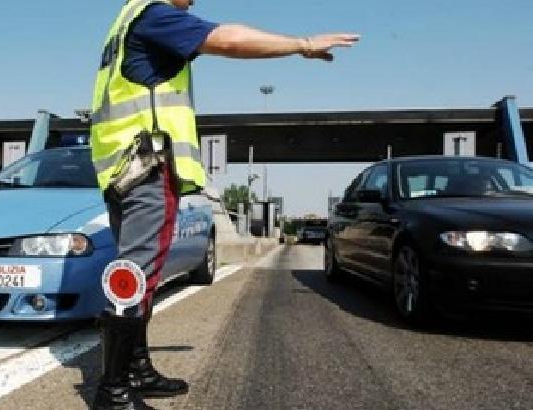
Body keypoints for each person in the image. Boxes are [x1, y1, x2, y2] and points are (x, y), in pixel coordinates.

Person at [89, 1, 359, 408]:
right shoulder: (155, 14)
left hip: (120, 169)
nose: (195, 1)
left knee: (135, 274)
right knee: (134, 277)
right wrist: (301, 44)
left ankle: (136, 371)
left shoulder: (125, 21)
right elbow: (228, 40)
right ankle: (113, 391)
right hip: (147, 165)